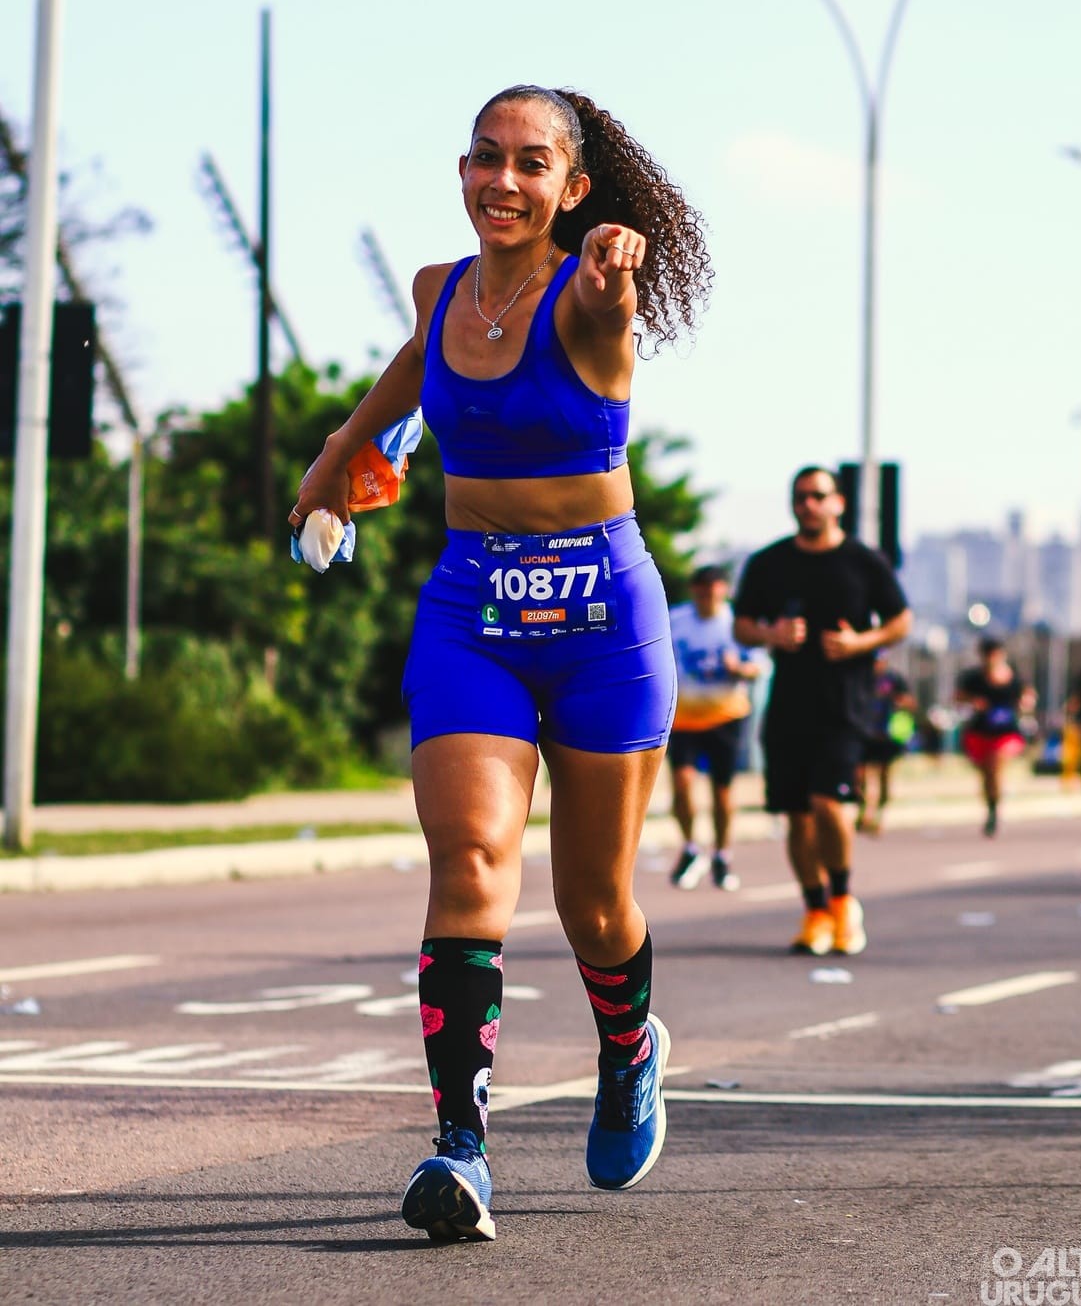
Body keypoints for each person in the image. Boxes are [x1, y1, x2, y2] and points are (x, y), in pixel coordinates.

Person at [291, 85, 712, 1243]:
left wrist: (619, 270)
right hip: (473, 608)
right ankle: (459, 1153)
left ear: (571, 191)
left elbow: (611, 308)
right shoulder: (440, 291)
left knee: (592, 903)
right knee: (470, 863)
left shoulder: (586, 293)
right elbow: (414, 366)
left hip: (600, 619)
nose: (504, 181)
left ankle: (629, 1049)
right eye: (486, 158)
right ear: (463, 171)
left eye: (532, 165)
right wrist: (338, 458)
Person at [732, 467, 912, 956]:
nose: (808, 504)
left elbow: (900, 620)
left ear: (838, 504)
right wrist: (771, 635)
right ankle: (814, 911)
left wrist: (862, 641)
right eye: (800, 497)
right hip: (789, 703)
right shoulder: (770, 562)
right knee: (796, 815)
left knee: (828, 803)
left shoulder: (863, 561)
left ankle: (842, 902)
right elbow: (742, 624)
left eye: (818, 496)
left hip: (844, 704)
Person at [667, 565, 760, 891]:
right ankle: (692, 846)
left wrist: (741, 669)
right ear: (694, 591)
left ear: (724, 591)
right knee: (681, 783)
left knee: (722, 793)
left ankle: (722, 852)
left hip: (726, 716)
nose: (707, 596)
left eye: (714, 589)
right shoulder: (676, 620)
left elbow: (758, 666)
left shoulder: (736, 623)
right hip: (684, 717)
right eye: (701, 590)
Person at [955, 636, 1036, 836]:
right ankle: (992, 808)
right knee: (987, 775)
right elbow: (958, 696)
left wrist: (1026, 702)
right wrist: (973, 701)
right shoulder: (973, 678)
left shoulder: (1014, 677)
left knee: (996, 765)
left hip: (1006, 733)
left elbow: (1028, 694)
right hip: (980, 732)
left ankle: (995, 809)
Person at [855, 652, 916, 835]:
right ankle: (863, 811)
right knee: (860, 777)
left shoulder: (894, 679)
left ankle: (879, 815)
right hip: (865, 733)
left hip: (887, 736)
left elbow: (910, 703)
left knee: (884, 776)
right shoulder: (860, 678)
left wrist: (901, 702)